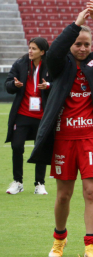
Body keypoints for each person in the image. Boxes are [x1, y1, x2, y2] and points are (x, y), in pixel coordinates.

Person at [28, 1, 93, 257]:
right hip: (63, 139)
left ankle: (90, 246)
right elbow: (54, 50)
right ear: (71, 44)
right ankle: (59, 240)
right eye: (78, 43)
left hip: (91, 139)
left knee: (91, 192)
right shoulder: (59, 64)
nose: (82, 48)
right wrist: (76, 24)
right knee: (64, 195)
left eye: (86, 44)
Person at [5, 37, 51, 195]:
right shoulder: (20, 64)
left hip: (42, 115)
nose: (30, 51)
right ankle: (18, 182)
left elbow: (59, 84)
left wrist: (48, 86)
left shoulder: (50, 65)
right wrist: (14, 85)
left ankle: (40, 183)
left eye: (34, 49)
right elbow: (8, 84)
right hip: (22, 114)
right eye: (30, 48)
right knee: (17, 146)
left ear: (42, 52)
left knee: (41, 148)